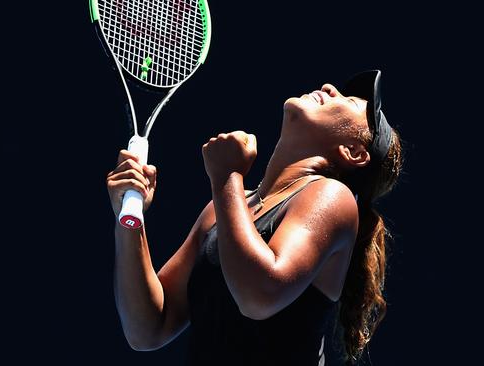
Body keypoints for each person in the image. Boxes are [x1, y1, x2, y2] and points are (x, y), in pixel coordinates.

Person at [106, 70, 403, 365]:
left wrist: (226, 177)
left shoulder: (332, 196)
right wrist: (129, 221)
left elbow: (258, 296)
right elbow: (147, 329)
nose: (329, 87)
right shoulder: (221, 209)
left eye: (349, 101)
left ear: (353, 152)